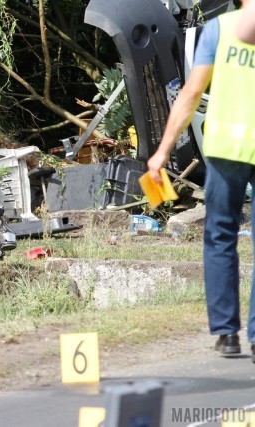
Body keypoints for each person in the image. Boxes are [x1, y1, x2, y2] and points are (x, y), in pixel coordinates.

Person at [147, 0, 255, 361]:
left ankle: (226, 334)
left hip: (227, 150)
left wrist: (162, 152)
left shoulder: (220, 30)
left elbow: (190, 93)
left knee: (221, 236)